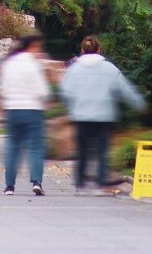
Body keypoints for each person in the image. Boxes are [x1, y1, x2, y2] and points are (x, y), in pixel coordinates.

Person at [60, 35, 145, 193]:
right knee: (101, 151)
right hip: (104, 116)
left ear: (82, 50)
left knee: (83, 151)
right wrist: (139, 104)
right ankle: (99, 183)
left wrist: (73, 107)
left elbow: (65, 91)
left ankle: (80, 185)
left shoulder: (74, 69)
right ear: (99, 50)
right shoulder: (110, 68)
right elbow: (124, 89)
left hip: (81, 116)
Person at [0, 33, 51, 197]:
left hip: (12, 110)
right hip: (32, 110)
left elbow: (3, 88)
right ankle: (36, 182)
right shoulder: (33, 64)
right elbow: (42, 90)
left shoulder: (9, 64)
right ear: (33, 46)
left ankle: (9, 186)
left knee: (13, 148)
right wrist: (47, 100)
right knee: (35, 147)